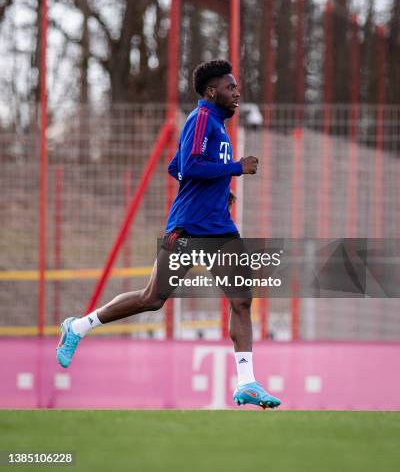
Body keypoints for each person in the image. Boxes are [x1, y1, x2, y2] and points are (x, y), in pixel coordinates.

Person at [56, 59, 281, 409]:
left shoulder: (217, 125)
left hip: (219, 226)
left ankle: (247, 383)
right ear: (211, 91)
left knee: (241, 299)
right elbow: (188, 166)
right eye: (230, 87)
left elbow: (176, 166)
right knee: (152, 298)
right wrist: (236, 168)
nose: (237, 92)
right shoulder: (202, 118)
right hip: (188, 226)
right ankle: (79, 327)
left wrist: (220, 189)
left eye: (236, 87)